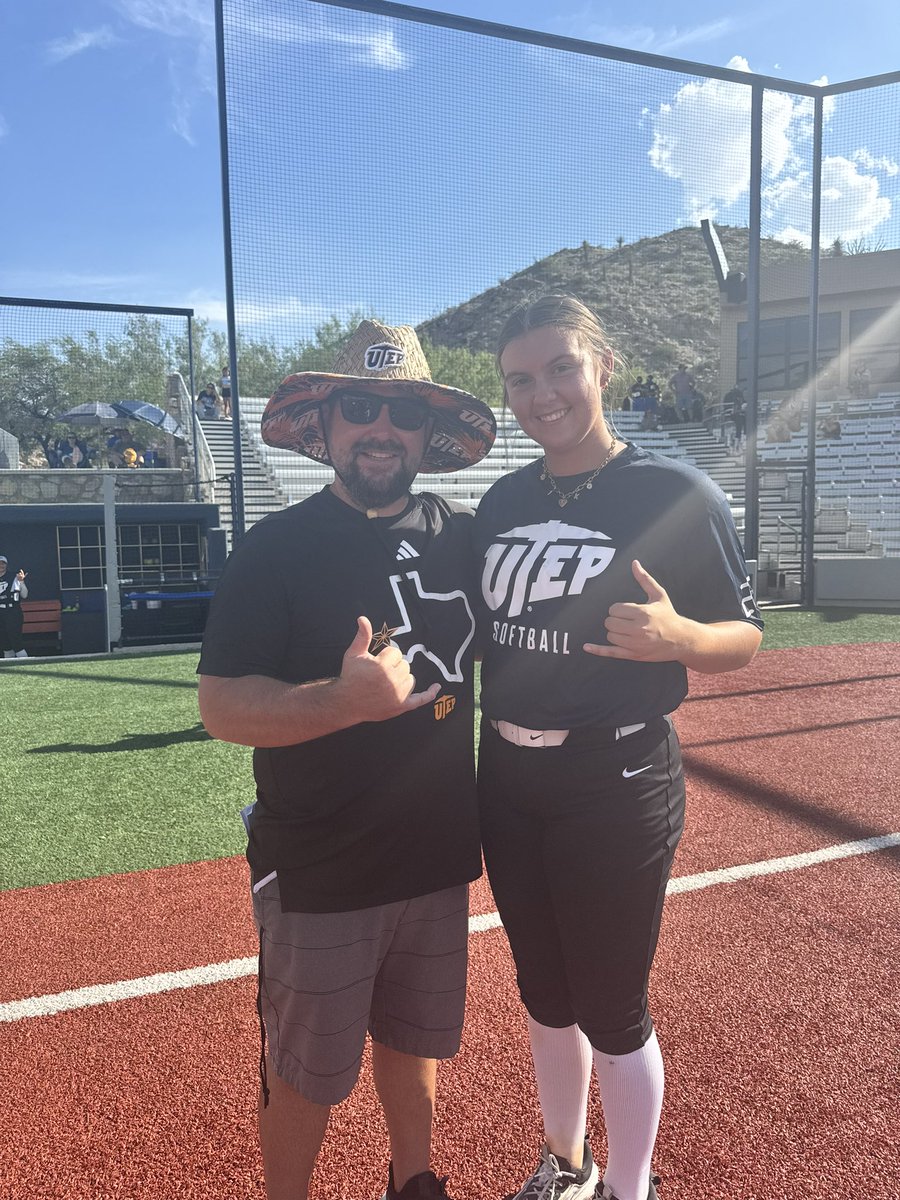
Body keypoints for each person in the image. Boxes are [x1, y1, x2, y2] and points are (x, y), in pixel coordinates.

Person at [197, 320, 496, 1200]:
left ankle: (415, 1183)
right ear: (322, 426)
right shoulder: (276, 548)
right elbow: (220, 707)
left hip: (436, 857)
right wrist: (340, 702)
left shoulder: (464, 539)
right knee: (305, 1069)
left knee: (415, 1041)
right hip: (320, 866)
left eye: (402, 412)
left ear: (426, 435)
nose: (381, 428)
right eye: (359, 408)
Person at [472, 296, 763, 1200]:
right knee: (542, 991)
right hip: (509, 775)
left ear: (604, 364)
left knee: (611, 1006)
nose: (542, 394)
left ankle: (631, 1190)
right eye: (521, 379)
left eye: (561, 367)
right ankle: (566, 1166)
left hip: (618, 776)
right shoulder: (503, 499)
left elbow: (745, 637)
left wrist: (679, 636)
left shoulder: (676, 492)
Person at [0, 556, 29, 658]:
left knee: (16, 640)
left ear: (6, 565)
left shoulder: (14, 577)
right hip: (0, 612)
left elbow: (24, 595)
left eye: (3, 563)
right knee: (5, 643)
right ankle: (10, 666)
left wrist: (21, 582)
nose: (1, 565)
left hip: (13, 611)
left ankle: (26, 664)